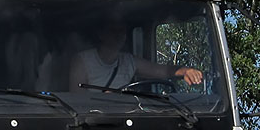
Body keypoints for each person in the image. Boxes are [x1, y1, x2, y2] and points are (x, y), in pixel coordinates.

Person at [70, 17, 203, 90]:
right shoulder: (83, 61)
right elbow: (76, 102)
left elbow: (163, 71)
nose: (118, 35)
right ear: (101, 34)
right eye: (113, 30)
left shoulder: (128, 61)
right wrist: (107, 99)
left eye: (122, 30)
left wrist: (186, 71)